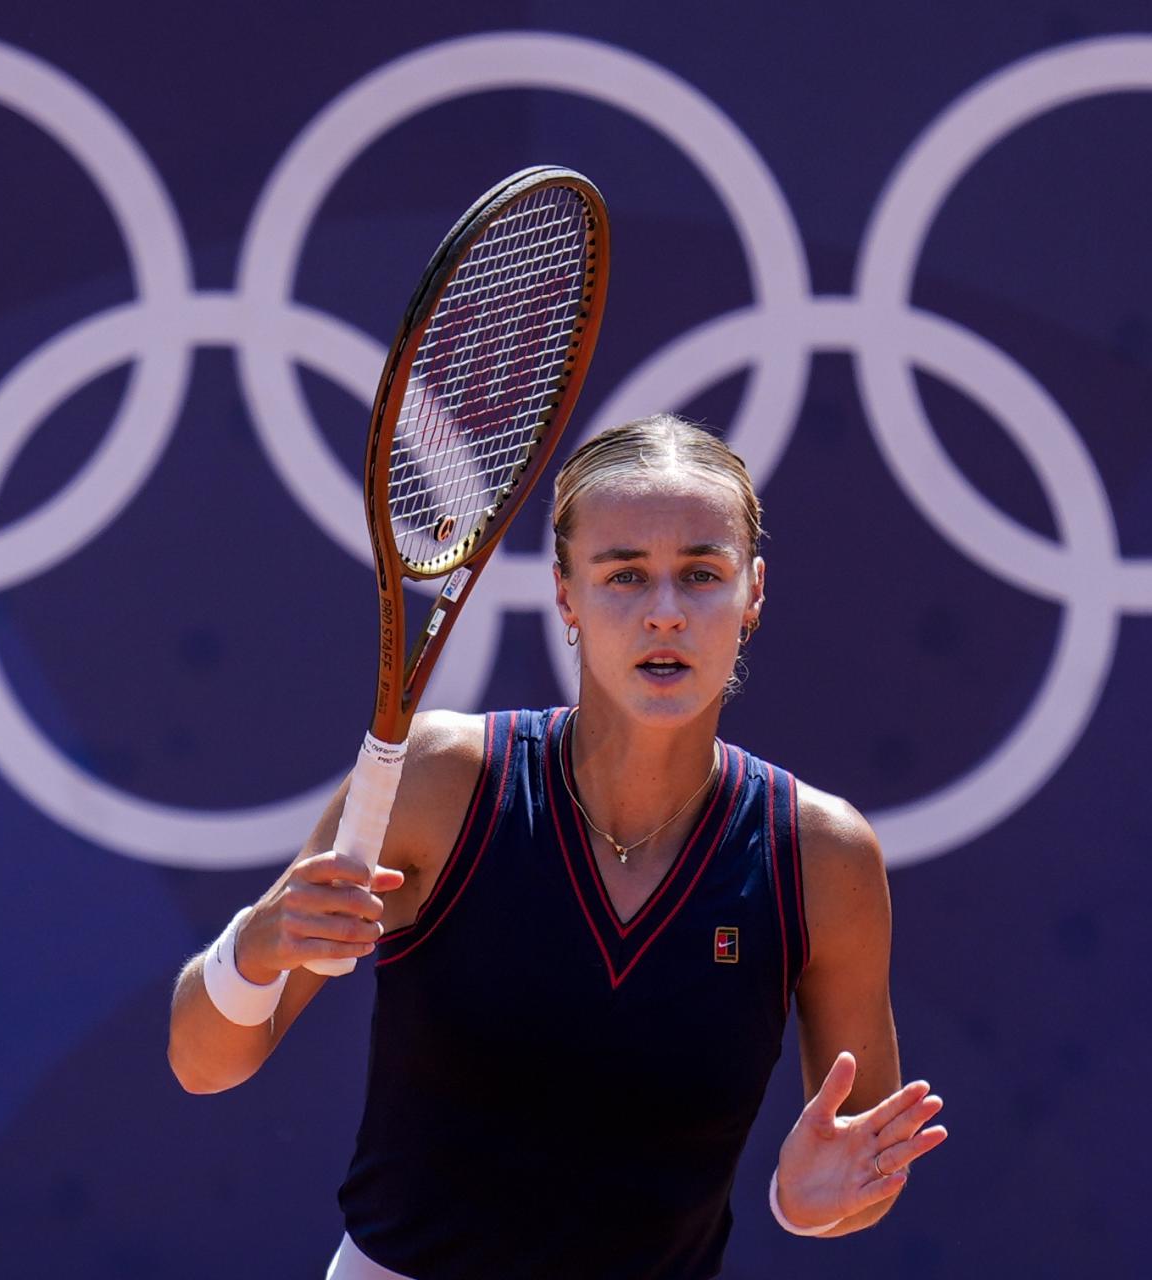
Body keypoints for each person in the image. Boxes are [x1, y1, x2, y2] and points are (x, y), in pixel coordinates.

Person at [168, 414, 947, 1279]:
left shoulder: (822, 857)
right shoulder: (440, 780)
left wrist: (801, 1206)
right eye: (624, 576)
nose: (664, 614)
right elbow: (204, 1062)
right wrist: (258, 944)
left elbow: (862, 1167)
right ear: (566, 593)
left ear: (752, 591)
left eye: (700, 574)